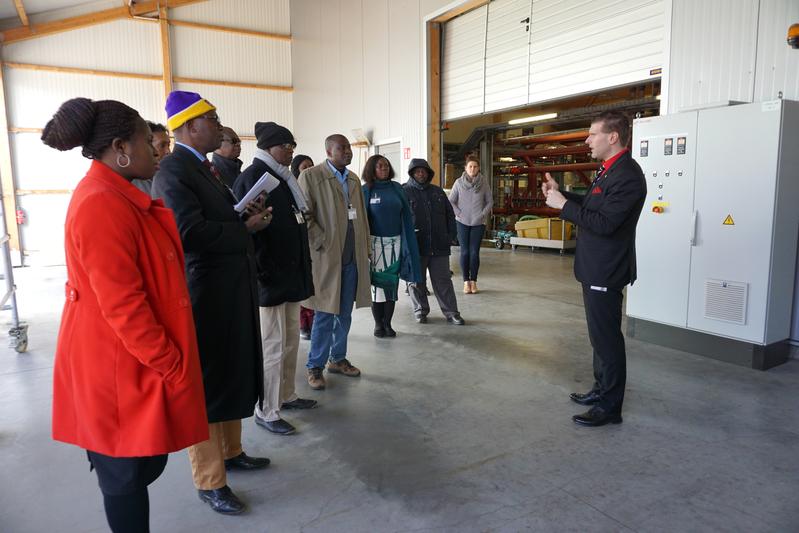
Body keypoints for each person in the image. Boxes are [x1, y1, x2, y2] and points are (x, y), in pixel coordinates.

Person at [43, 97, 208, 533]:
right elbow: (124, 305)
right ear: (120, 147)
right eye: (144, 141)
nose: (156, 150)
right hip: (116, 366)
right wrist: (173, 365)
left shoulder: (116, 195)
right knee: (124, 477)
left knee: (137, 469)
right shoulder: (101, 203)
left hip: (127, 361)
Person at [152, 91, 272, 514]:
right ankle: (209, 478)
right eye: (212, 119)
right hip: (204, 293)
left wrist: (244, 216)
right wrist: (245, 230)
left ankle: (231, 451)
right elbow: (188, 233)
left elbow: (215, 220)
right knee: (206, 382)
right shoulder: (172, 170)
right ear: (189, 126)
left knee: (231, 368)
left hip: (229, 287)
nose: (221, 126)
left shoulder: (204, 168)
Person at [543, 110, 646, 427]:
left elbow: (605, 223)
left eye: (592, 134)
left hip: (606, 269)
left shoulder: (627, 175)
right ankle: (601, 389)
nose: (587, 140)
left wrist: (563, 206)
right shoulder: (608, 170)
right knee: (598, 337)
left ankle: (610, 408)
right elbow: (594, 205)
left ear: (612, 137)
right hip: (595, 267)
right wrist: (563, 196)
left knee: (607, 340)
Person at [233, 123, 317, 436]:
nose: (291, 151)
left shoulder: (283, 178)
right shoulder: (254, 179)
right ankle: (266, 410)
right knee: (272, 345)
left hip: (290, 275)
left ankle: (286, 394)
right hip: (269, 279)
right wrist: (261, 272)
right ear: (270, 147)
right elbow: (245, 231)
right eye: (286, 146)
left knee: (291, 340)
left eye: (293, 145)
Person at [298, 134, 371, 390]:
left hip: (352, 257)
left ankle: (337, 359)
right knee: (325, 313)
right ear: (329, 151)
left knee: (345, 313)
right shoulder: (311, 176)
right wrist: (321, 241)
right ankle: (314, 366)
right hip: (328, 258)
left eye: (349, 148)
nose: (348, 152)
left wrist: (366, 247)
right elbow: (303, 214)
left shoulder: (352, 178)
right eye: (342, 148)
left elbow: (361, 215)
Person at [361, 154, 421, 337]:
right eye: (380, 166)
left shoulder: (396, 188)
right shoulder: (366, 190)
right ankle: (378, 324)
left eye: (386, 165)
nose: (384, 168)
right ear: (372, 169)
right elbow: (362, 220)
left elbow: (406, 215)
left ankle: (388, 323)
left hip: (396, 243)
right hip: (374, 245)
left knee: (391, 286)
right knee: (377, 287)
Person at [403, 158, 465, 326]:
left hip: (439, 245)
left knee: (443, 280)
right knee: (416, 281)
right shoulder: (404, 192)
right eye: (417, 171)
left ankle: (451, 312)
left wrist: (451, 235)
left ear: (428, 173)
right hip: (416, 246)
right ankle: (420, 311)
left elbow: (450, 215)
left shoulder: (437, 192)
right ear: (412, 174)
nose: (421, 174)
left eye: (423, 171)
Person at [449, 155, 493, 294]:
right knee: (465, 251)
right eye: (470, 166)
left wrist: (482, 215)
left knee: (474, 253)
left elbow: (490, 201)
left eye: (475, 166)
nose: (472, 169)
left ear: (478, 168)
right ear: (466, 168)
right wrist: (459, 214)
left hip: (478, 223)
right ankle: (465, 282)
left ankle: (473, 282)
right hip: (461, 222)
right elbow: (451, 201)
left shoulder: (484, 183)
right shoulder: (458, 183)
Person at [292, 154, 316, 340]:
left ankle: (315, 322)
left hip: (317, 244)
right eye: (303, 167)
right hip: (300, 242)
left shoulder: (317, 187)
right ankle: (303, 325)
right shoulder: (291, 188)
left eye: (310, 165)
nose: (308, 169)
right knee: (303, 286)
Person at [131, 121, 171, 195]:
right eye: (162, 146)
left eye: (168, 145)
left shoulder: (170, 176)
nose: (168, 151)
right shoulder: (134, 183)